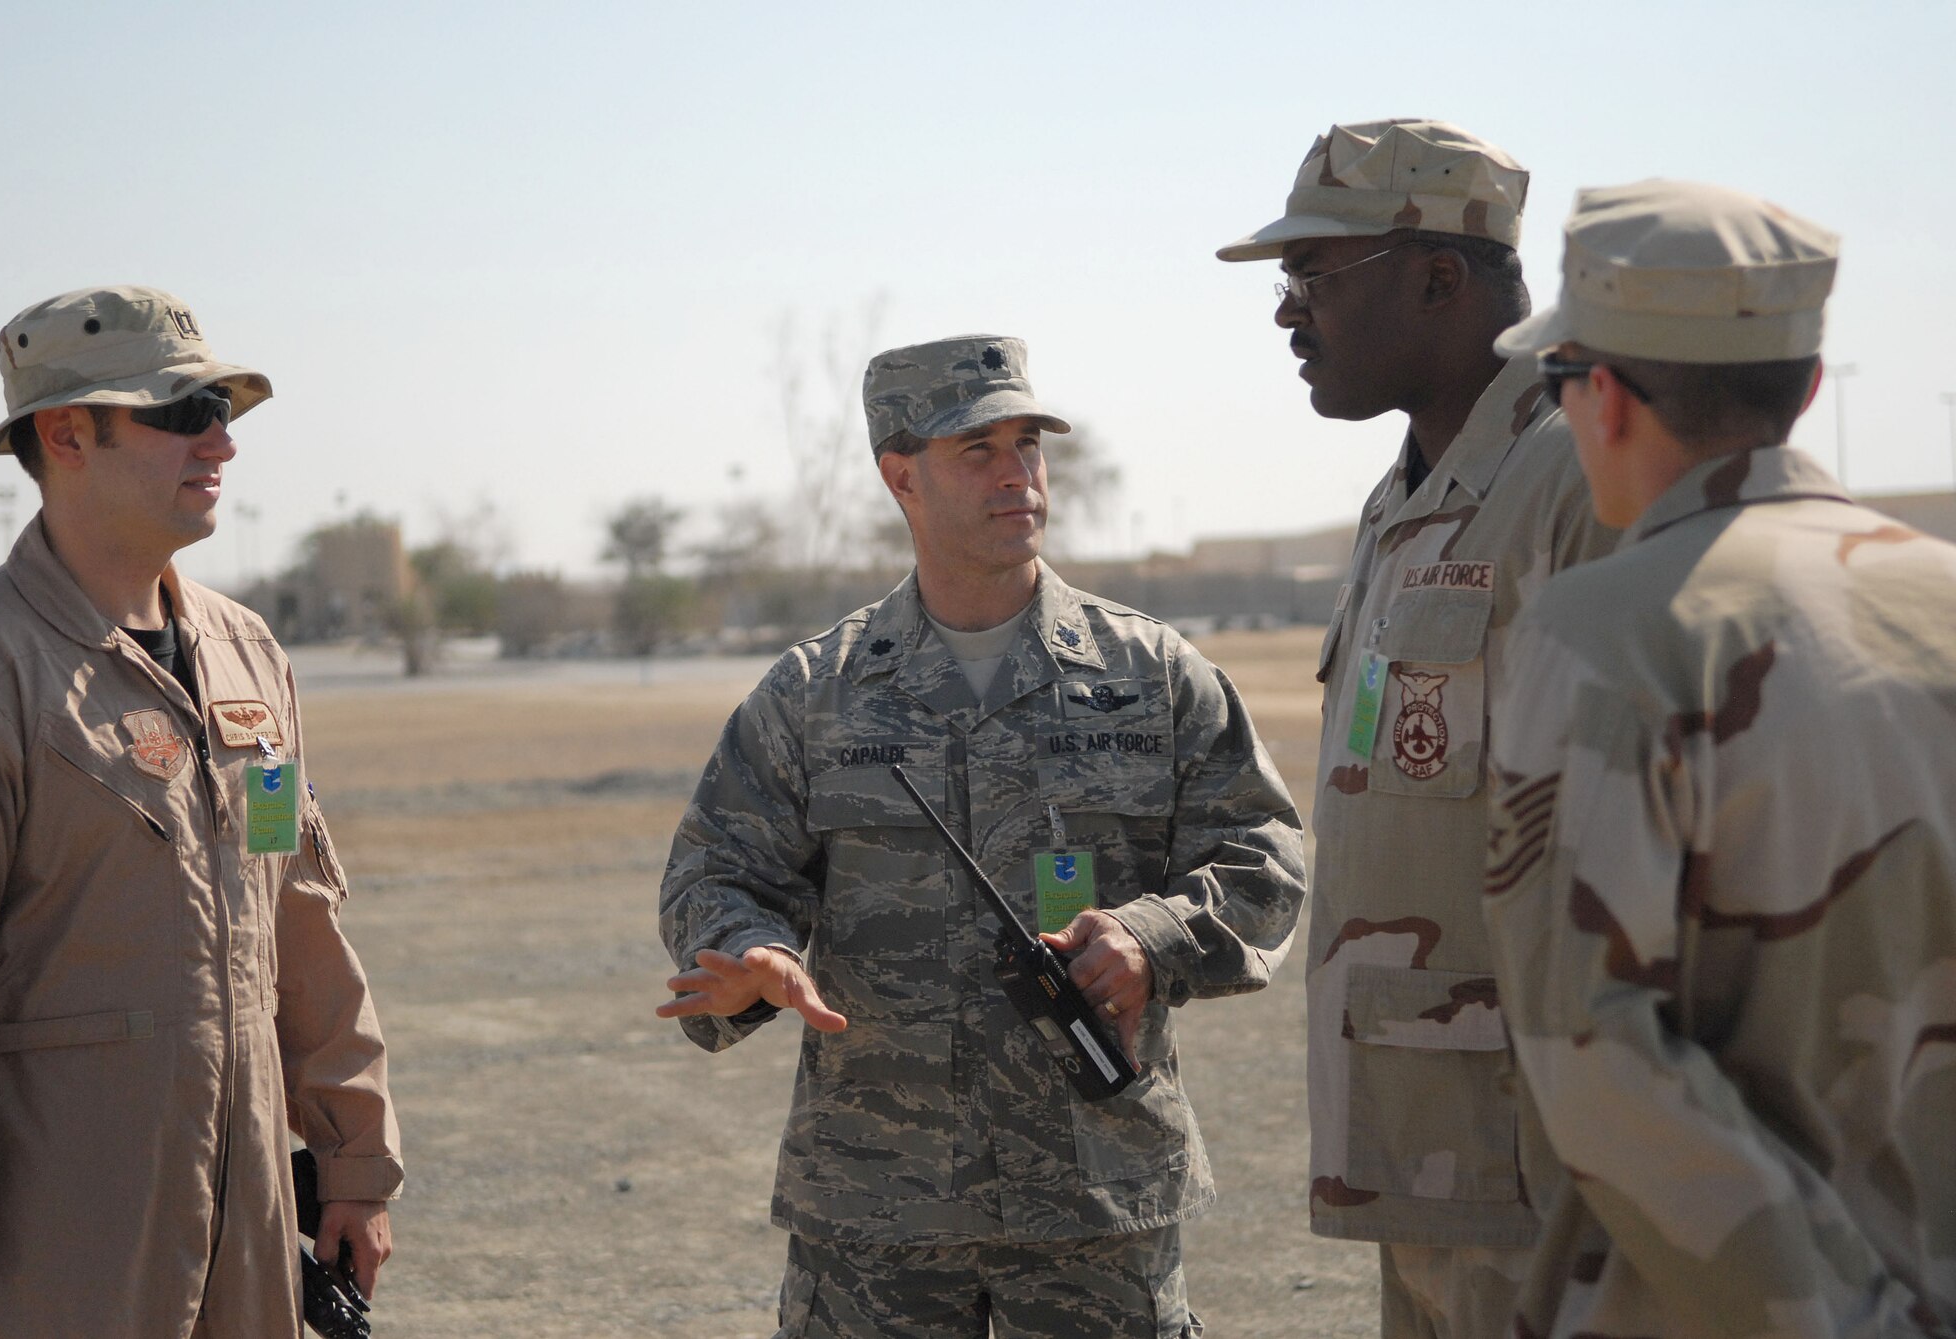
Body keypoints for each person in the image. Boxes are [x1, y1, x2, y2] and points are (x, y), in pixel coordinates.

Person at [656, 334, 1305, 1338]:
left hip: (1093, 1199)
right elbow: (716, 868)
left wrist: (1151, 936)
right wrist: (756, 952)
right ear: (898, 475)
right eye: (977, 451)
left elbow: (1263, 861)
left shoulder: (1150, 674)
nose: (1018, 475)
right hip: (878, 1212)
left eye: (1027, 444)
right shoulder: (814, 696)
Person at [1481, 180, 1956, 1337]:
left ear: (1597, 396)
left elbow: (1593, 1057)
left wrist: (1842, 1315)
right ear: (1801, 387)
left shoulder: (1603, 634)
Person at [1215, 118, 1617, 1337]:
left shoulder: (1574, 486)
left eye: (1312, 277)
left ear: (1440, 277)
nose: (1286, 313)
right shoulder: (1400, 504)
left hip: (1546, 1167)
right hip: (1423, 1147)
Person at [0, 286, 403, 1338]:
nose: (221, 441)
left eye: (223, 408)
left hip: (248, 1225)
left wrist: (353, 1156)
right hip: (60, 1243)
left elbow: (296, 909)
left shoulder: (248, 654)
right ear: (66, 433)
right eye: (178, 411)